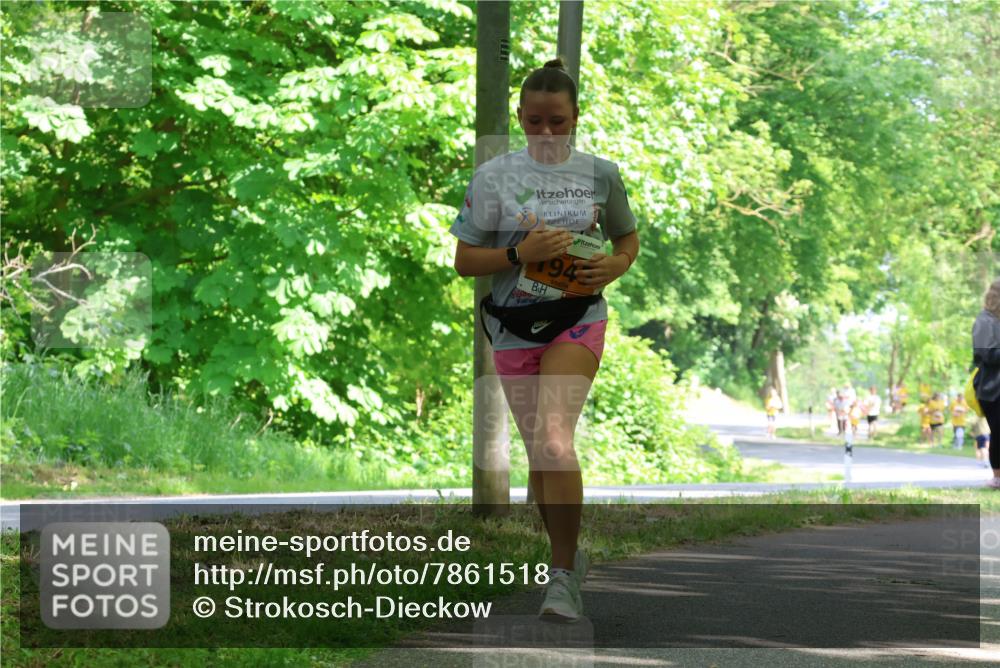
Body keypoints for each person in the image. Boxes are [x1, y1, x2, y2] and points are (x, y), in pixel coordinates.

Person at [450, 57, 640, 620]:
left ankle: (561, 579)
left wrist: (613, 267)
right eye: (535, 122)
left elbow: (626, 241)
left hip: (578, 318)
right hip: (512, 327)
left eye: (557, 121)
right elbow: (464, 261)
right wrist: (516, 254)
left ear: (576, 116)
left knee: (555, 441)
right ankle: (569, 557)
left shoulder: (600, 173)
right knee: (541, 455)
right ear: (520, 118)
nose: (547, 133)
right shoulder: (493, 178)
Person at [972, 278, 1000, 488]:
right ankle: (997, 477)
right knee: (998, 431)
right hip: (992, 388)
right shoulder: (984, 321)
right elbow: (986, 354)